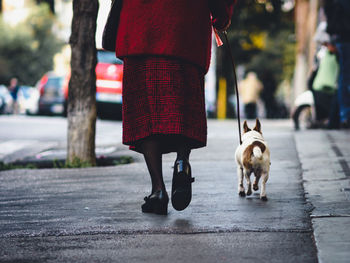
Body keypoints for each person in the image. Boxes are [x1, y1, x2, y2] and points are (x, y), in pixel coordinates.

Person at [114, 0, 236, 215]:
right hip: (184, 30)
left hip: (139, 27)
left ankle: (158, 190)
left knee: (146, 113)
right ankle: (182, 162)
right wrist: (221, 16)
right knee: (182, 107)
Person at [324, 0, 350, 128]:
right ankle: (345, 114)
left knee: (343, 77)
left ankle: (343, 115)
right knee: (345, 77)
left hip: (340, 38)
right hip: (346, 38)